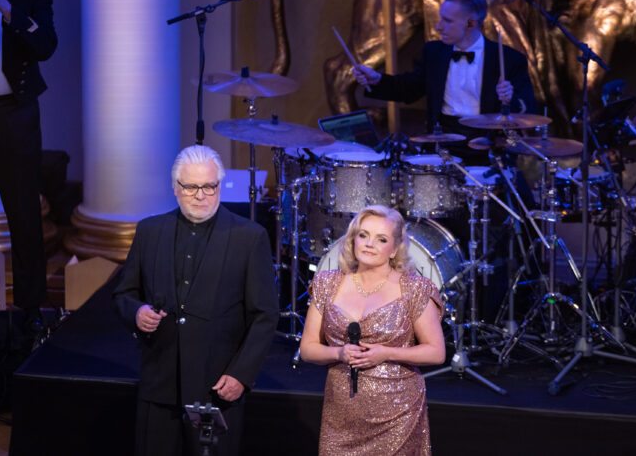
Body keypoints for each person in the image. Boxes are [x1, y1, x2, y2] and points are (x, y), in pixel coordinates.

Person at [113, 145, 278, 456]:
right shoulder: (150, 231)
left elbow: (265, 314)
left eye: (210, 186)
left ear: (220, 185)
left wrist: (241, 374)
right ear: (176, 188)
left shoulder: (249, 236)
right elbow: (124, 293)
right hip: (159, 383)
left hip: (216, 386)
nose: (201, 195)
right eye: (191, 187)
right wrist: (137, 313)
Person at [299, 205, 445, 455]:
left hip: (397, 414)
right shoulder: (326, 284)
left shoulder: (414, 288)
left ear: (395, 249)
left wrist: (385, 353)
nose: (369, 244)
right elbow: (308, 349)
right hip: (341, 415)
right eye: (363, 235)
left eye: (381, 239)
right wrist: (339, 354)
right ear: (353, 239)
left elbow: (436, 353)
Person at [353, 0, 537, 157]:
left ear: (471, 23)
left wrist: (509, 99)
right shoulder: (433, 52)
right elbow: (409, 89)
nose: (438, 27)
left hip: (488, 145)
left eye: (447, 21)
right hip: (442, 141)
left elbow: (527, 109)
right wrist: (377, 79)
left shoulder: (509, 59)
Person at [0, 0, 58, 338]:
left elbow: (45, 46)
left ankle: (31, 308)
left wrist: (8, 10)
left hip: (14, 114)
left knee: (23, 211)